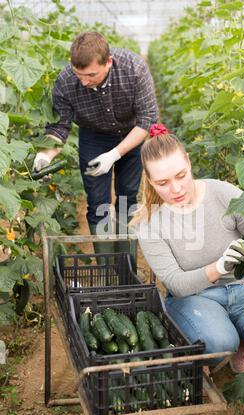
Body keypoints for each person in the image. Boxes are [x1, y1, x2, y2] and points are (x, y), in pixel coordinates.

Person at [131, 124, 244, 373]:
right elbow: (176, 284)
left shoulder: (223, 193)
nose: (176, 189)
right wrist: (219, 266)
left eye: (181, 176)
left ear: (189, 163)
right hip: (195, 299)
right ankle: (222, 345)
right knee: (219, 343)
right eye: (163, 182)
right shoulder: (149, 222)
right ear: (149, 180)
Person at [33, 31, 158, 253]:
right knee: (97, 201)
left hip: (132, 134)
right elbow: (60, 127)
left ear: (108, 62)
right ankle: (107, 269)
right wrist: (45, 155)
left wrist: (114, 154)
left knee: (127, 195)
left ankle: (125, 264)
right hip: (94, 136)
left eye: (91, 75)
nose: (84, 81)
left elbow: (147, 119)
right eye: (78, 74)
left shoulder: (134, 69)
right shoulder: (65, 82)